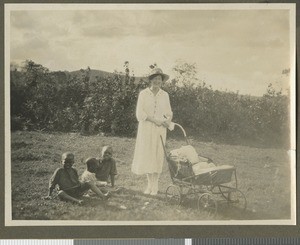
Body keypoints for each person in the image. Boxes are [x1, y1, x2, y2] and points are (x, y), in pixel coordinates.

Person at [131, 67, 173, 195]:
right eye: (154, 79)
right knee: (148, 156)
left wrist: (167, 120)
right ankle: (149, 185)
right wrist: (154, 120)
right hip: (146, 128)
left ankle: (155, 186)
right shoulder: (143, 94)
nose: (157, 81)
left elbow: (168, 112)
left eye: (159, 79)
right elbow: (140, 113)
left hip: (160, 129)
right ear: (151, 80)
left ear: (162, 81)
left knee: (157, 155)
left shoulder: (165, 95)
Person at [44, 152, 109, 204]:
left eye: (70, 162)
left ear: (73, 162)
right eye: (66, 162)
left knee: (89, 182)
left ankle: (103, 196)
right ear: (61, 162)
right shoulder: (59, 171)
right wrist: (49, 195)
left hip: (76, 189)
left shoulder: (74, 170)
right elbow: (52, 182)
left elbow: (76, 181)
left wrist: (83, 185)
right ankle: (77, 201)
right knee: (60, 193)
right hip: (67, 192)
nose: (68, 164)